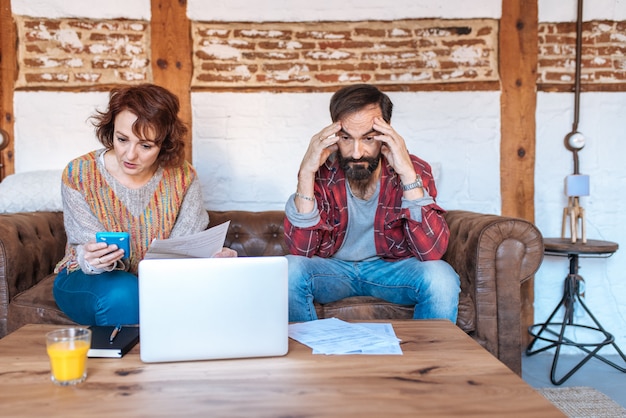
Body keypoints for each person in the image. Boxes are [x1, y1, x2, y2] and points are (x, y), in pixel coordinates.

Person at [53, 83, 236, 326]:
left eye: (146, 145)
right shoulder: (80, 173)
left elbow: (184, 250)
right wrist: (91, 257)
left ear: (164, 144)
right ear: (111, 130)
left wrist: (213, 261)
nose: (130, 155)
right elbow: (86, 246)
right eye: (122, 139)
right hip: (87, 276)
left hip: (161, 281)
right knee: (124, 291)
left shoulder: (182, 176)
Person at [284, 84, 460, 323]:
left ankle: (429, 359)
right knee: (289, 270)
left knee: (441, 277)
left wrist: (407, 173)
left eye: (368, 138)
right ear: (335, 136)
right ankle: (310, 358)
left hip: (391, 271)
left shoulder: (414, 168)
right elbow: (300, 252)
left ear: (385, 134)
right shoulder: (321, 170)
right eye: (347, 138)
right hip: (334, 271)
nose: (357, 153)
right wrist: (306, 173)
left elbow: (431, 252)